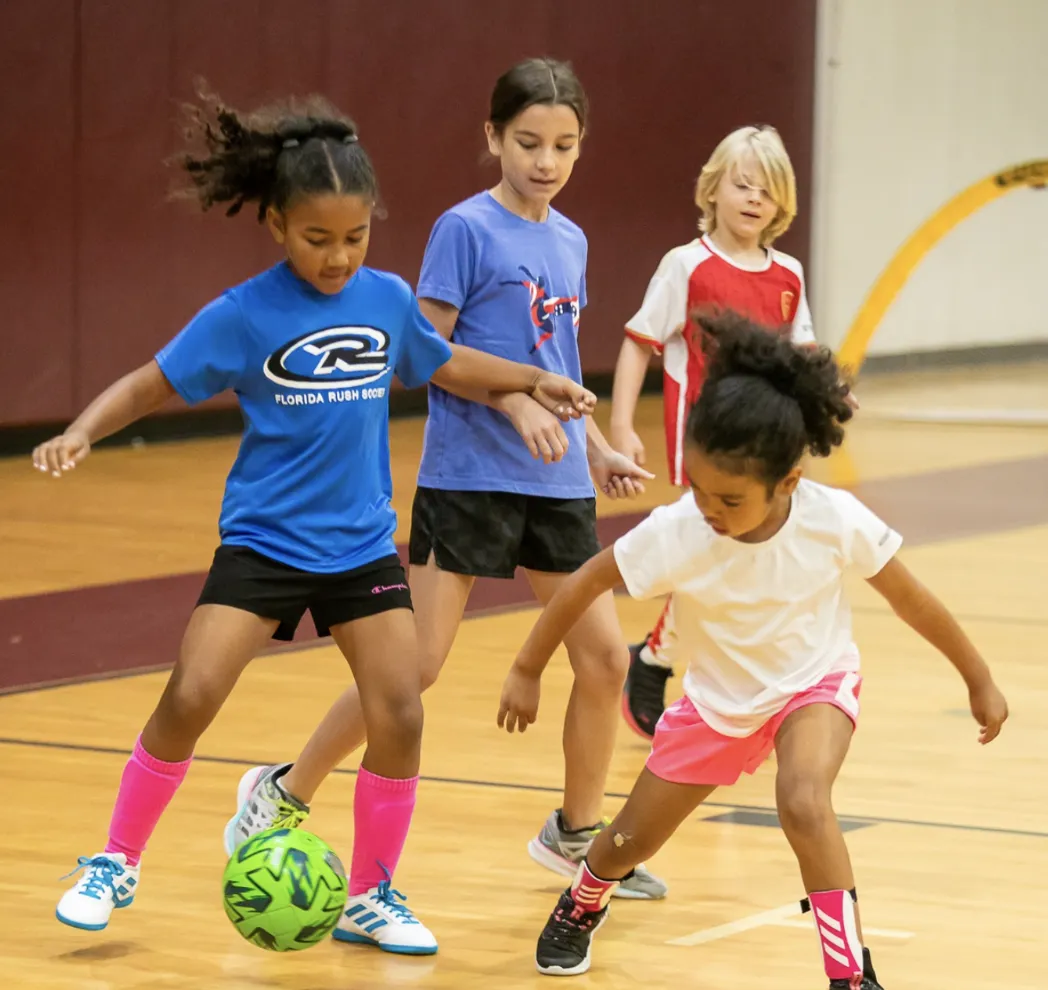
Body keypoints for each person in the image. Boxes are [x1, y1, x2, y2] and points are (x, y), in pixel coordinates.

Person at [37, 87, 597, 955]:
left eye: (356, 237)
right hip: (264, 541)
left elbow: (441, 360)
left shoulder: (382, 297)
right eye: (317, 239)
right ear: (275, 226)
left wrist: (527, 380)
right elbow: (152, 381)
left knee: (401, 711)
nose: (339, 258)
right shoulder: (244, 313)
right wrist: (80, 429)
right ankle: (115, 859)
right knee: (190, 694)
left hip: (361, 546)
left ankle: (373, 893)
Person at [224, 57, 666, 901]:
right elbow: (424, 355)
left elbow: (554, 360)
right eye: (528, 141)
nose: (545, 160)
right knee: (415, 666)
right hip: (469, 475)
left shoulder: (570, 240)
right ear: (493, 137)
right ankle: (282, 792)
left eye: (564, 145)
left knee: (606, 657)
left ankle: (576, 832)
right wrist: (513, 405)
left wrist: (593, 445)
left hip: (554, 477)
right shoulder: (464, 230)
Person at [498, 313, 1009, 987]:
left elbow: (911, 599)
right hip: (717, 705)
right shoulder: (680, 529)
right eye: (700, 488)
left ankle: (850, 973)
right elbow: (588, 579)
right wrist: (528, 667)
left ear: (788, 483)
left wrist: (978, 678)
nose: (709, 508)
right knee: (628, 841)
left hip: (813, 684)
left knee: (803, 801)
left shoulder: (834, 520)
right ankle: (584, 898)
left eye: (730, 498)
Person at [610, 125, 823, 738]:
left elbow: (803, 352)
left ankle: (663, 659)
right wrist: (622, 424)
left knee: (745, 557)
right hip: (704, 442)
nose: (754, 198)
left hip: (765, 444)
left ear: (783, 203)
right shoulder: (686, 266)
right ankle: (657, 662)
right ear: (714, 189)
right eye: (742, 184)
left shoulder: (789, 275)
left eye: (768, 189)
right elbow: (639, 343)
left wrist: (829, 397)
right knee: (717, 554)